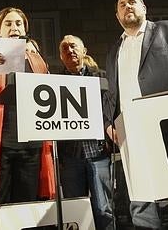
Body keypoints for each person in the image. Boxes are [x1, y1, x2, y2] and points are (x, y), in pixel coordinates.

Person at [103, 0, 168, 230]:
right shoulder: (113, 50)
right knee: (140, 199)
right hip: (130, 130)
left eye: (132, 2)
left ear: (144, 7)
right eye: (121, 4)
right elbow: (111, 94)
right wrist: (109, 123)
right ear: (117, 15)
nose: (127, 6)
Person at [0, 7, 54, 207]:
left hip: (31, 145)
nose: (14, 27)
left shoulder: (36, 60)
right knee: (0, 205)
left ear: (25, 29)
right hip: (1, 145)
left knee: (26, 206)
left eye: (18, 23)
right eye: (8, 24)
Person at [57, 35, 113, 230]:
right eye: (64, 48)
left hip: (98, 154)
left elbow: (111, 110)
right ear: (61, 57)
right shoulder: (53, 82)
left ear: (84, 51)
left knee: (104, 209)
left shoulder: (102, 78)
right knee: (76, 211)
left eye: (73, 46)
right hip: (70, 158)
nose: (69, 51)